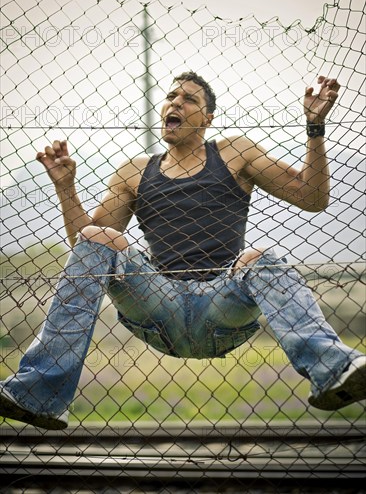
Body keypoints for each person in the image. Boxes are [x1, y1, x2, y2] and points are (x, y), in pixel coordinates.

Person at [0, 72, 365, 430]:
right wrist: (66, 188)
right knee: (100, 236)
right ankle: (39, 394)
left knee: (260, 258)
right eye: (171, 96)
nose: (175, 102)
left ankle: (333, 370)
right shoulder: (134, 171)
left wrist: (314, 130)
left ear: (207, 118)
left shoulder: (235, 152)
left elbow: (313, 198)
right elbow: (87, 248)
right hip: (160, 305)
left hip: (222, 304)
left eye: (189, 99)